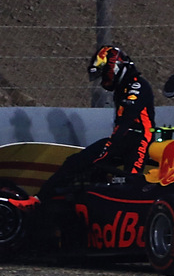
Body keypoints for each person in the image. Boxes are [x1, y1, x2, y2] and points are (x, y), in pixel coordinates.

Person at [27, 45, 156, 204]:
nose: (104, 81)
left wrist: (106, 152)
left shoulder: (137, 86)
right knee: (75, 162)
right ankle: (40, 199)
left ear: (113, 68)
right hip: (121, 139)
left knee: (130, 185)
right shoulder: (122, 87)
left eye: (104, 75)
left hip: (140, 140)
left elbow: (126, 122)